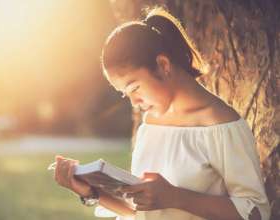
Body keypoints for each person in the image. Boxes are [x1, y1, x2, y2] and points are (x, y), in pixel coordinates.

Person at [52, 7, 270, 220]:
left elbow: (256, 212)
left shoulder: (222, 127)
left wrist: (176, 197)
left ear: (163, 65)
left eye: (134, 88)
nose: (134, 102)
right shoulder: (150, 123)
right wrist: (90, 192)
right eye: (125, 94)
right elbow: (140, 211)